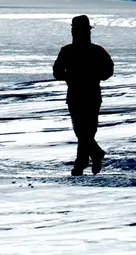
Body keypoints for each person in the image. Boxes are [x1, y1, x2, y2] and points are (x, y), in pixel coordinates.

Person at [52, 14, 114, 176]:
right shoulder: (84, 51)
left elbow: (108, 70)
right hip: (84, 95)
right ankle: (92, 156)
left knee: (84, 131)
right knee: (84, 131)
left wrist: (88, 77)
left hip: (84, 95)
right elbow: (57, 73)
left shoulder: (73, 51)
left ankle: (82, 162)